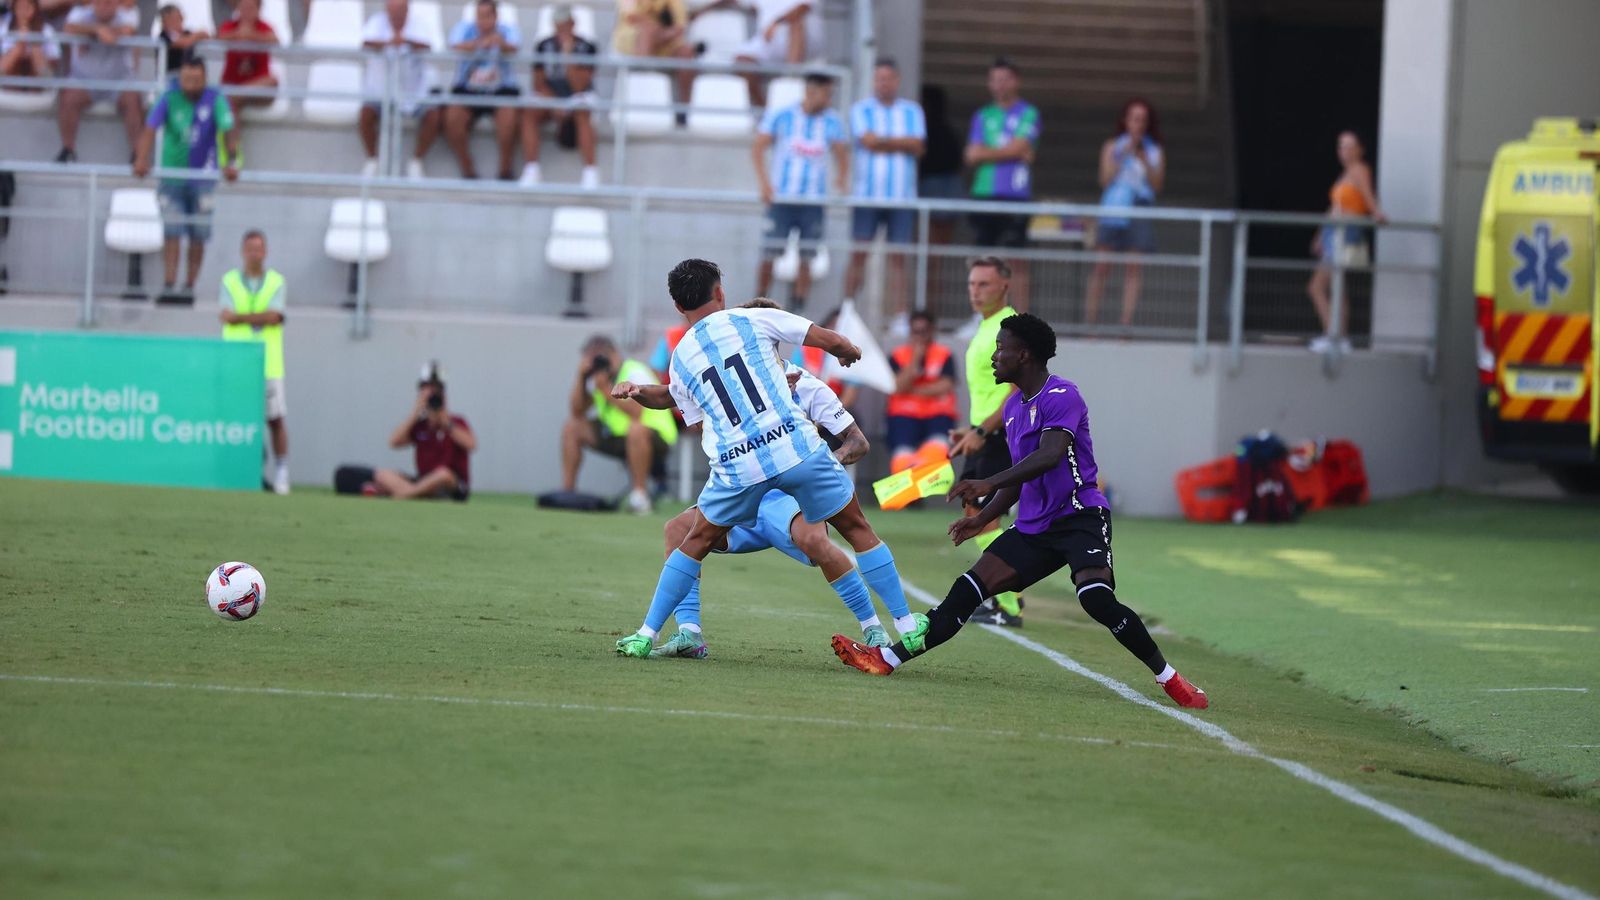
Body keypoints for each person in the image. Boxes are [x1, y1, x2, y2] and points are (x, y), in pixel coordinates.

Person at [831, 313, 1211, 710]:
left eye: (1001, 348)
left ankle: (1171, 679)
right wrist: (981, 517)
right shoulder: (1013, 408)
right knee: (967, 590)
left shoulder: (1063, 396)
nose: (994, 357)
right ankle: (887, 659)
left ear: (1024, 355)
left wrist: (987, 483)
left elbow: (1049, 456)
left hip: (1080, 516)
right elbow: (1020, 475)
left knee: (1096, 598)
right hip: (1034, 526)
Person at [609, 258, 924, 658]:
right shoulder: (750, 321)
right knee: (855, 528)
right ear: (720, 293)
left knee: (705, 540)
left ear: (677, 306)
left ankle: (646, 633)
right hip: (794, 453)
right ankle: (906, 625)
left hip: (743, 469)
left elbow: (687, 413)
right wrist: (848, 350)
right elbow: (826, 339)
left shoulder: (682, 356)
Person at [650, 303, 885, 659]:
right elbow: (677, 397)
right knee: (677, 530)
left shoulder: (807, 384)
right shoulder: (734, 381)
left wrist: (824, 467)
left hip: (787, 500)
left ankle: (875, 630)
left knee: (817, 543)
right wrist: (641, 391)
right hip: (744, 496)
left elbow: (857, 442)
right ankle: (689, 634)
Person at [946, 257, 1023, 626]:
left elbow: (1015, 388)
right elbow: (989, 390)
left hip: (1001, 435)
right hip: (986, 433)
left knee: (985, 517)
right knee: (976, 514)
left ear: (1004, 287)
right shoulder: (984, 327)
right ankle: (1004, 600)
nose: (975, 292)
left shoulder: (1008, 328)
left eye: (984, 285)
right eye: (972, 284)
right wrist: (972, 428)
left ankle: (1007, 605)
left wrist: (982, 430)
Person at [133, 56, 240, 303]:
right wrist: (141, 158)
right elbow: (150, 128)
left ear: (204, 78)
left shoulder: (215, 98)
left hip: (203, 179)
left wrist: (231, 161)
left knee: (198, 234)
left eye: (196, 79)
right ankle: (169, 285)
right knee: (172, 231)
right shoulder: (169, 97)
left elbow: (229, 130)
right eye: (186, 79)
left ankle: (189, 287)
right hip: (172, 178)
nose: (190, 84)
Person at [752, 70, 848, 308]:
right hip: (782, 198)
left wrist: (841, 180)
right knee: (769, 253)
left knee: (807, 256)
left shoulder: (832, 121)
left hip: (813, 201)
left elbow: (841, 154)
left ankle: (797, 305)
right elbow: (758, 148)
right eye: (826, 94)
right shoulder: (782, 116)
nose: (828, 100)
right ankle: (758, 303)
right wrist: (764, 183)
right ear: (810, 91)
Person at [844, 59, 924, 331]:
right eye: (879, 78)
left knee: (898, 258)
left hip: (901, 196)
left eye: (888, 78)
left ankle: (900, 316)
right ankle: (847, 309)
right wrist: (900, 142)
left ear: (897, 80)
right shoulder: (860, 109)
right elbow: (867, 141)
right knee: (858, 254)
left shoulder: (911, 110)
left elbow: (917, 145)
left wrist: (882, 141)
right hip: (867, 195)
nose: (884, 83)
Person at [560, 334, 679, 515]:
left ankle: (639, 497)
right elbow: (577, 411)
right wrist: (582, 378)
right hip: (617, 435)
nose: (600, 364)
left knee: (636, 430)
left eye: (602, 358)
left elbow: (636, 412)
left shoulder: (634, 372)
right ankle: (567, 494)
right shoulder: (598, 377)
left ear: (614, 354)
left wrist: (606, 389)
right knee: (572, 428)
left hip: (654, 436)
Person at [964, 58, 1038, 312]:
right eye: (995, 79)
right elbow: (972, 155)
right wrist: (1011, 152)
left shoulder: (1028, 113)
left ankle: (1021, 319)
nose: (999, 85)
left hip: (1015, 195)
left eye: (1005, 79)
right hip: (984, 193)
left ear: (1016, 81)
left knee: (1017, 260)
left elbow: (1021, 146)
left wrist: (990, 151)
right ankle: (981, 316)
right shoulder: (982, 115)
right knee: (983, 262)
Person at [219, 229, 289, 495]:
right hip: (236, 363)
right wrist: (258, 316)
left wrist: (242, 317)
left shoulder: (276, 281)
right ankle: (248, 472)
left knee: (275, 419)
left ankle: (282, 471)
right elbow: (226, 316)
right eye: (250, 248)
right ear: (242, 251)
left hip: (269, 363)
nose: (254, 253)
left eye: (258, 248)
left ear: (266, 252)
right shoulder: (229, 280)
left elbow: (275, 317)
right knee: (240, 419)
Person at [1086, 98, 1165, 329]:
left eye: (1142, 120)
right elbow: (1105, 179)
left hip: (1139, 207)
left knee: (1133, 267)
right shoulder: (1112, 146)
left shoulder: (1154, 150)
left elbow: (1157, 184)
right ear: (1125, 121)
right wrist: (1123, 154)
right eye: (1134, 119)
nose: (1138, 124)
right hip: (1113, 206)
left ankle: (1125, 324)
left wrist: (1145, 162)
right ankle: (1091, 323)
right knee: (1102, 266)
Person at [1307, 130, 1386, 353]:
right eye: (1341, 146)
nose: (1344, 151)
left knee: (1317, 286)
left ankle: (1334, 336)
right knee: (1336, 287)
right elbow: (1333, 208)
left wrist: (1377, 213)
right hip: (1334, 233)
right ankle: (1338, 337)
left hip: (1345, 232)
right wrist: (1319, 235)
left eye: (1349, 146)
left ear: (1360, 149)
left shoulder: (1360, 170)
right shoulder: (1346, 174)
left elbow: (1369, 197)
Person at [358, 0, 440, 180]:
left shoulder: (419, 24)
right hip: (381, 90)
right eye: (392, 10)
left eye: (400, 10)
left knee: (433, 116)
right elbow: (366, 44)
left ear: (407, 9)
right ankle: (373, 160)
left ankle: (416, 161)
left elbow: (429, 47)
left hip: (413, 90)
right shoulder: (376, 22)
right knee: (365, 114)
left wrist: (407, 42)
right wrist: (388, 43)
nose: (396, 15)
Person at [519, 4, 598, 189]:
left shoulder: (587, 47)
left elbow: (580, 85)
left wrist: (567, 57)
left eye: (566, 24)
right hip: (551, 97)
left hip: (577, 96)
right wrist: (554, 104)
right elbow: (538, 83)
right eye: (558, 25)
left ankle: (591, 171)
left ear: (573, 24)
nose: (562, 29)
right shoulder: (543, 45)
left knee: (582, 112)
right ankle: (531, 169)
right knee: (529, 112)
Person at [370, 366, 477, 500]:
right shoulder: (421, 425)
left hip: (451, 484)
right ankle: (415, 493)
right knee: (382, 474)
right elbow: (393, 442)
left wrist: (446, 423)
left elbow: (471, 444)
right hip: (423, 481)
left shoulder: (457, 422)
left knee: (443, 474)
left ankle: (406, 494)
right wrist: (415, 413)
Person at [55, 0, 143, 164]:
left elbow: (129, 30)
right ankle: (68, 149)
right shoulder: (79, 13)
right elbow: (69, 28)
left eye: (109, 2)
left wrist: (107, 33)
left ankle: (138, 154)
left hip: (119, 81)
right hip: (84, 81)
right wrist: (97, 31)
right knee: (67, 96)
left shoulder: (128, 15)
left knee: (134, 99)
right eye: (100, 1)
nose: (104, 5)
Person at [443, 0, 521, 180]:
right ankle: (467, 169)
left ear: (495, 16)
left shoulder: (507, 30)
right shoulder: (465, 28)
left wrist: (499, 44)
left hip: (500, 89)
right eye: (479, 16)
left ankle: (505, 169)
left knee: (509, 118)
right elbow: (455, 45)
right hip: (468, 89)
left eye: (487, 16)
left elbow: (514, 47)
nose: (482, 21)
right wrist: (479, 43)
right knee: (452, 118)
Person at [886, 310, 957, 474]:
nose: (920, 337)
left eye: (924, 332)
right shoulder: (898, 355)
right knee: (902, 455)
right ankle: (907, 496)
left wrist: (911, 390)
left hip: (937, 415)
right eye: (915, 332)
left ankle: (920, 480)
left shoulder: (944, 354)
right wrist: (915, 359)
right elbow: (898, 386)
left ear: (932, 331)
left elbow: (945, 386)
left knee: (937, 447)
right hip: (904, 415)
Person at [611, 0, 694, 120]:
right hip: (633, 39)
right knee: (647, 31)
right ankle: (641, 106)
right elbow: (632, 16)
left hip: (665, 40)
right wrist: (655, 32)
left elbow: (680, 26)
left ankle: (683, 113)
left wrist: (660, 35)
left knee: (686, 52)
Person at [734, 0, 821, 107]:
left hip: (804, 44)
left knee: (796, 23)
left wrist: (777, 22)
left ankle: (791, 77)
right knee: (742, 61)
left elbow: (802, 9)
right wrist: (708, 8)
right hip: (769, 42)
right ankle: (765, 110)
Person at [215, 0, 280, 117]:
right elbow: (218, 37)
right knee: (232, 105)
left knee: (272, 81)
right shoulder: (229, 26)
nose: (246, 11)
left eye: (250, 8)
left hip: (257, 89)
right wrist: (237, 35)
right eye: (243, 7)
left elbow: (275, 40)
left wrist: (252, 35)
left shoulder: (264, 27)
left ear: (258, 9)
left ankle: (234, 96)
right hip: (232, 85)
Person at [1, 0, 61, 86]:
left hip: (39, 85)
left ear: (35, 8)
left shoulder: (47, 31)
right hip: (9, 83)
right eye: (20, 7)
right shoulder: (4, 29)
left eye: (27, 7)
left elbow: (49, 71)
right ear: (14, 9)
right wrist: (19, 45)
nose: (24, 12)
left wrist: (32, 40)